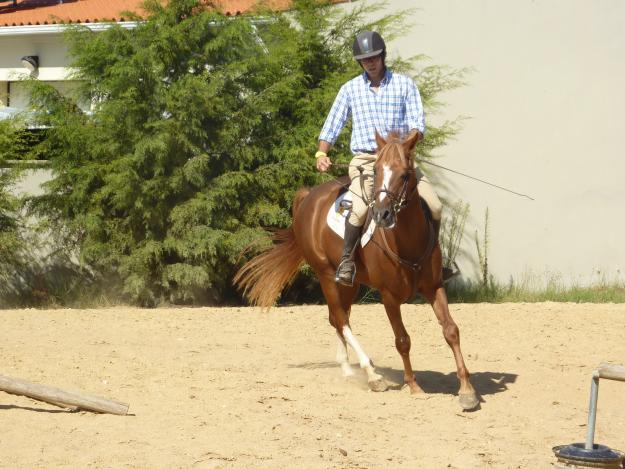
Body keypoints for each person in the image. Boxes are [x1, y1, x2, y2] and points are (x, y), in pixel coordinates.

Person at [316, 30, 443, 286]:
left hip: (398, 160)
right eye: (365, 59)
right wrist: (322, 152)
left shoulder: (404, 84)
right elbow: (333, 124)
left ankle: (433, 261)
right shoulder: (349, 89)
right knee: (360, 208)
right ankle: (347, 262)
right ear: (360, 62)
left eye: (374, 57)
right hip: (366, 160)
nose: (370, 62)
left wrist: (405, 144)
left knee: (435, 205)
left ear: (382, 56)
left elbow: (418, 124)